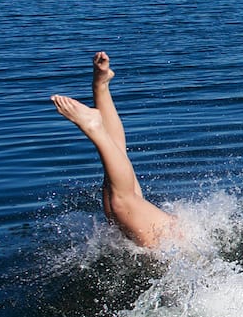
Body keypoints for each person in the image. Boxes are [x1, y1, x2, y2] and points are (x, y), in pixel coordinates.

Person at [51, 52, 178, 248]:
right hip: (177, 244)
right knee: (121, 201)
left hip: (179, 242)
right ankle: (94, 126)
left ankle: (100, 87)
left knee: (116, 194)